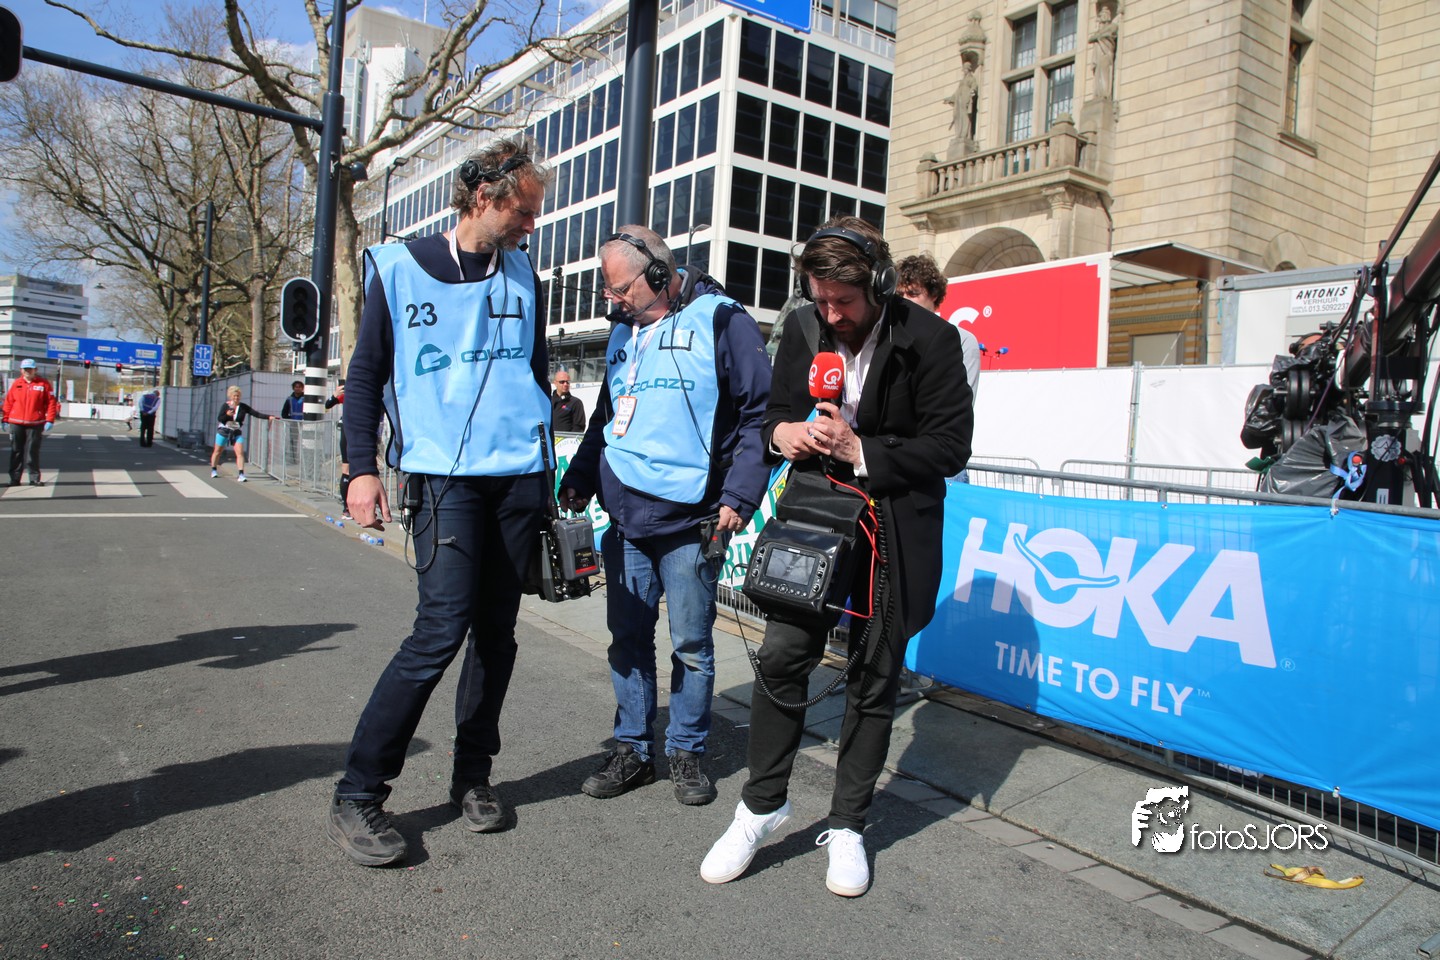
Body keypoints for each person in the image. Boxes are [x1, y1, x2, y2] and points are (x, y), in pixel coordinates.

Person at [699, 216, 973, 897]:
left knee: (874, 676)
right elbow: (771, 416)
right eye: (820, 300)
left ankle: (848, 824)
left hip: (894, 528)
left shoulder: (932, 340)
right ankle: (761, 806)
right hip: (814, 518)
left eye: (843, 302)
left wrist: (863, 451)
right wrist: (785, 433)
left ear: (879, 284)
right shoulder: (801, 327)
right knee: (782, 656)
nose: (831, 314)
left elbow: (950, 447)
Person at [328, 135, 553, 867]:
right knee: (439, 631)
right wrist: (359, 469)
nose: (531, 226)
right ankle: (359, 792)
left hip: (518, 476)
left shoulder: (524, 273)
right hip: (443, 477)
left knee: (497, 635)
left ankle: (472, 777)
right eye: (524, 212)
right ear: (484, 197)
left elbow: (535, 374)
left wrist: (547, 473)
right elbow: (365, 377)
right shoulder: (397, 267)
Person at [558, 227, 771, 807]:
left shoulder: (724, 320)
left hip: (691, 521)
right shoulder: (622, 332)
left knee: (692, 646)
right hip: (626, 520)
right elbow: (607, 417)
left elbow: (759, 414)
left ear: (658, 274)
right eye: (608, 290)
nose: (613, 300)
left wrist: (739, 497)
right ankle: (633, 749)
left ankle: (685, 750)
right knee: (626, 641)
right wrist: (580, 476)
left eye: (620, 288)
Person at [896, 253, 981, 406]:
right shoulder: (890, 335)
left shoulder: (963, 340)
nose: (904, 300)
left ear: (933, 294)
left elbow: (959, 405)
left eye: (913, 294)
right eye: (900, 294)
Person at [4, 359, 60, 486]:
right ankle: (14, 478)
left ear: (35, 370)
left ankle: (34, 478)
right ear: (21, 370)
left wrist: (50, 419)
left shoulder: (43, 384)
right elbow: (9, 402)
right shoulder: (16, 384)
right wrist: (5, 419)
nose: (28, 371)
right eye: (25, 369)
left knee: (32, 451)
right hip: (16, 422)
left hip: (35, 423)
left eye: (30, 369)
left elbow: (51, 403)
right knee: (16, 450)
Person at [209, 385, 275, 481]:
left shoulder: (243, 407)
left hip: (236, 432)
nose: (236, 398)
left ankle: (241, 474)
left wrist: (269, 417)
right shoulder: (226, 406)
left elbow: (255, 413)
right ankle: (214, 470)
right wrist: (227, 415)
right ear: (231, 396)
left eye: (238, 396)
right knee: (217, 451)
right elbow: (220, 418)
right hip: (224, 430)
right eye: (234, 396)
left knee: (240, 452)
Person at [324, 380, 350, 519]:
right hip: (348, 431)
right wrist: (335, 395)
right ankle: (346, 508)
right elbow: (327, 405)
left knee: (364, 470)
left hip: (364, 431)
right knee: (347, 469)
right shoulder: (348, 391)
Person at [943, 57, 980, 144]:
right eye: (964, 69)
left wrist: (973, 91)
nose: (964, 71)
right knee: (958, 116)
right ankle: (959, 133)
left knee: (965, 116)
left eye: (965, 69)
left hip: (966, 99)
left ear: (968, 69)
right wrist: (950, 99)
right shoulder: (962, 81)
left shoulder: (971, 79)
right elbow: (957, 92)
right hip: (959, 99)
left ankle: (965, 134)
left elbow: (974, 86)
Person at [550, 368, 587, 434]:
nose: (565, 384)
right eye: (562, 382)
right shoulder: (549, 401)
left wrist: (569, 438)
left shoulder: (575, 403)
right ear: (555, 383)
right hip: (549, 438)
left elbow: (579, 426)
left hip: (566, 439)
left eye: (567, 382)